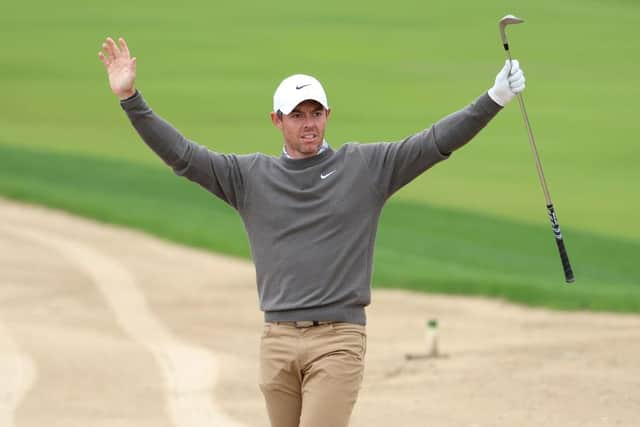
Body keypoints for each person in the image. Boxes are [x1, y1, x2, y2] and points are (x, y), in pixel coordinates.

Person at [98, 36, 525, 427]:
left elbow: (434, 142)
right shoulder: (249, 177)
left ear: (328, 115)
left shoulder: (365, 167)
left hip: (338, 340)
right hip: (277, 340)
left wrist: (494, 98)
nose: (309, 123)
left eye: (316, 113)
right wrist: (131, 99)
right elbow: (184, 157)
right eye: (297, 115)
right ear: (276, 120)